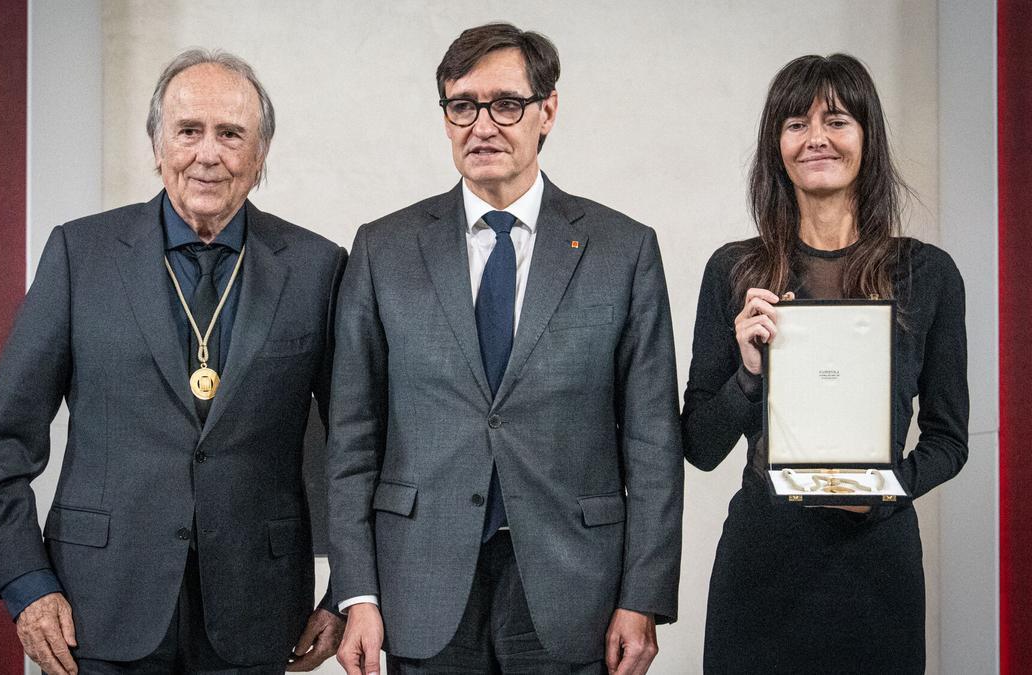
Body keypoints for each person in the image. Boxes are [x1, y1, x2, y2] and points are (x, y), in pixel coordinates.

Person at [0, 48, 346, 674]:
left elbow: (358, 447)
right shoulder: (79, 255)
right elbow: (2, 445)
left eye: (231, 134)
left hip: (259, 609)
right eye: (188, 131)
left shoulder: (317, 268)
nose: (208, 153)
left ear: (260, 156)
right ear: (156, 144)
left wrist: (345, 592)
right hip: (96, 604)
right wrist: (26, 583)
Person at [327, 22, 684, 675]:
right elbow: (351, 436)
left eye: (506, 104)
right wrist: (357, 591)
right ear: (445, 117)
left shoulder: (622, 250)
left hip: (573, 586)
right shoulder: (383, 249)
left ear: (548, 110)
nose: (482, 125)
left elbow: (654, 442)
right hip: (419, 584)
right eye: (462, 105)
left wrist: (644, 596)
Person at [681, 53, 969, 673]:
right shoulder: (735, 272)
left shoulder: (928, 275)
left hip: (877, 562)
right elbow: (701, 445)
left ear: (867, 138)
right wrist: (748, 373)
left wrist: (884, 492)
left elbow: (949, 440)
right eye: (795, 123)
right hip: (761, 561)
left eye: (836, 120)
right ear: (775, 145)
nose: (816, 138)